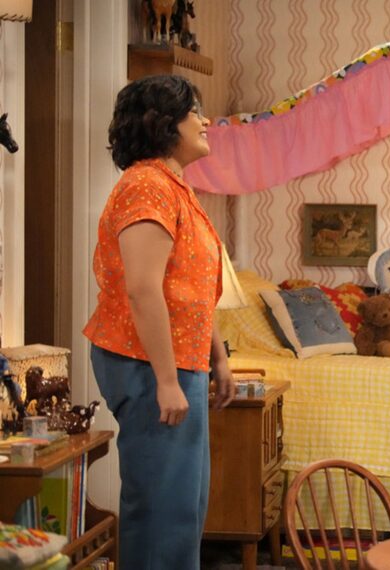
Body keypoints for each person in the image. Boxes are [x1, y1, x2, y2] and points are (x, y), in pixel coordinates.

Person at [84, 74, 235, 569]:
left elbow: (190, 287)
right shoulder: (146, 187)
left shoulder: (173, 186)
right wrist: (167, 381)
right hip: (147, 362)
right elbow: (144, 289)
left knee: (182, 509)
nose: (206, 121)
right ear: (164, 123)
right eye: (195, 112)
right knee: (162, 512)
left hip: (174, 361)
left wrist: (217, 358)